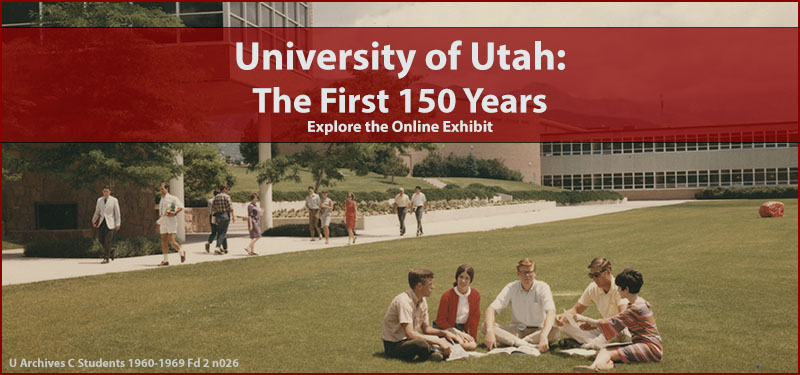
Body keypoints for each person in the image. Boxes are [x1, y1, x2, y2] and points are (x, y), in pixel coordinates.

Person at [573, 268, 662, 372]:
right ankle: (608, 365)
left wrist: (584, 318)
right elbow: (616, 322)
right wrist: (593, 324)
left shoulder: (635, 308)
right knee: (602, 352)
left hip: (650, 349)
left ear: (627, 289)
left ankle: (592, 368)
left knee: (607, 352)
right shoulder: (638, 303)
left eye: (619, 287)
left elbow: (612, 323)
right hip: (647, 346)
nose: (618, 290)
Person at [382, 268, 460, 362]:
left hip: (409, 340)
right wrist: (438, 342)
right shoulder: (404, 301)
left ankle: (436, 353)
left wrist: (444, 333)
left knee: (442, 336)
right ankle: (435, 354)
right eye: (430, 284)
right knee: (421, 343)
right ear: (419, 286)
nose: (433, 287)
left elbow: (426, 329)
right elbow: (410, 333)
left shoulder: (422, 300)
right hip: (395, 344)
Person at [483, 258, 559, 353]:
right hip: (516, 330)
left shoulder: (543, 287)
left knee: (555, 331)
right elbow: (491, 309)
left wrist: (543, 336)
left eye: (530, 272)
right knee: (486, 326)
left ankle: (512, 342)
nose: (527, 276)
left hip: (537, 331)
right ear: (518, 274)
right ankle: (523, 343)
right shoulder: (511, 287)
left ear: (535, 273)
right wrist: (490, 332)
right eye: (523, 273)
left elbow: (551, 312)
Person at [555, 257, 631, 348]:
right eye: (591, 276)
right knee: (564, 326)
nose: (594, 279)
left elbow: (622, 318)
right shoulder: (593, 287)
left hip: (620, 329)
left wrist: (594, 324)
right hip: (604, 327)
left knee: (612, 334)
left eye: (597, 275)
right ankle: (596, 343)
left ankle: (585, 345)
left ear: (608, 271)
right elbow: (576, 309)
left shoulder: (619, 288)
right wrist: (563, 317)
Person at [433, 264, 481, 351]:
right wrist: (458, 333)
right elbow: (441, 321)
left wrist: (473, 337)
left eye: (467, 278)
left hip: (461, 329)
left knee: (472, 345)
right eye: (461, 277)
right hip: (446, 327)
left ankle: (443, 345)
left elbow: (475, 319)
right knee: (462, 342)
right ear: (456, 278)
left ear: (471, 280)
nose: (463, 280)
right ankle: (444, 345)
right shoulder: (447, 295)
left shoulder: (475, 295)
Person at [157, 182, 184, 266]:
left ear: (167, 189)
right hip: (163, 221)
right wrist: (159, 223)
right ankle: (165, 260)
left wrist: (174, 212)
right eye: (160, 189)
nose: (161, 190)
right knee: (163, 240)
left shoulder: (172, 198)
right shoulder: (161, 199)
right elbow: (161, 212)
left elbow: (181, 206)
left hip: (171, 221)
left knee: (172, 241)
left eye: (162, 189)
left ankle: (181, 252)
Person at [91, 185, 121, 264]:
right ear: (102, 191)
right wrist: (93, 220)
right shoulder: (99, 200)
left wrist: (118, 223)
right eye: (104, 191)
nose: (105, 193)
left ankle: (106, 258)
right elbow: (97, 211)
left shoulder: (114, 200)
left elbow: (117, 213)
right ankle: (110, 250)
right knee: (101, 240)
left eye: (107, 191)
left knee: (107, 240)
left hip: (110, 222)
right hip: (101, 222)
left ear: (109, 192)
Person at [211, 184, 235, 255]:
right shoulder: (227, 197)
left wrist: (214, 217)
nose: (228, 190)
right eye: (227, 189)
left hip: (218, 215)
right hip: (225, 215)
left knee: (220, 231)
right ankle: (218, 247)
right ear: (224, 189)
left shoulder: (216, 197)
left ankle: (225, 248)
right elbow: (230, 208)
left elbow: (213, 209)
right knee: (223, 232)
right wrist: (233, 216)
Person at [204, 189, 220, 253]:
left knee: (213, 232)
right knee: (220, 232)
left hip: (211, 216)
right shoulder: (218, 201)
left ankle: (208, 242)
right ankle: (218, 246)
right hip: (217, 216)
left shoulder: (210, 201)